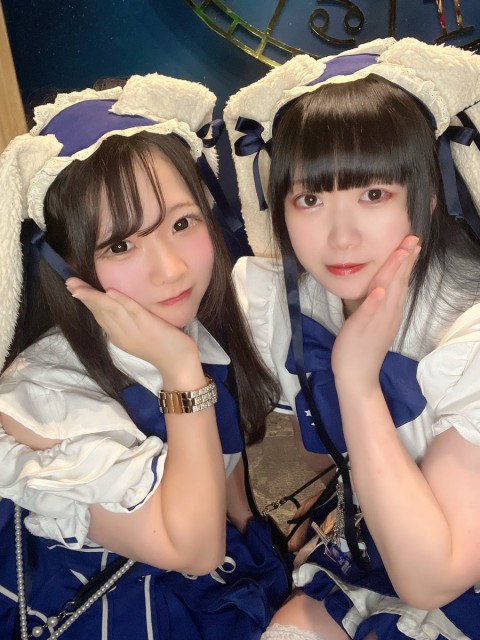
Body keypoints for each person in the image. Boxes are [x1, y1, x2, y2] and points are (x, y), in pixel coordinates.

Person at [0, 73, 290, 639]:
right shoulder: (42, 397)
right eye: (121, 245)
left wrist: (258, 548)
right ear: (66, 265)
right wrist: (181, 372)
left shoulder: (188, 331)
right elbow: (194, 550)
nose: (172, 269)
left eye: (182, 223)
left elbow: (226, 474)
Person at [224, 37, 480, 639]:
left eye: (373, 194)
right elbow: (321, 451)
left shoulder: (468, 329)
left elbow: (435, 577)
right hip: (373, 542)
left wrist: (358, 381)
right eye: (310, 198)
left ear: (430, 193)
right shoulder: (293, 297)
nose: (340, 239)